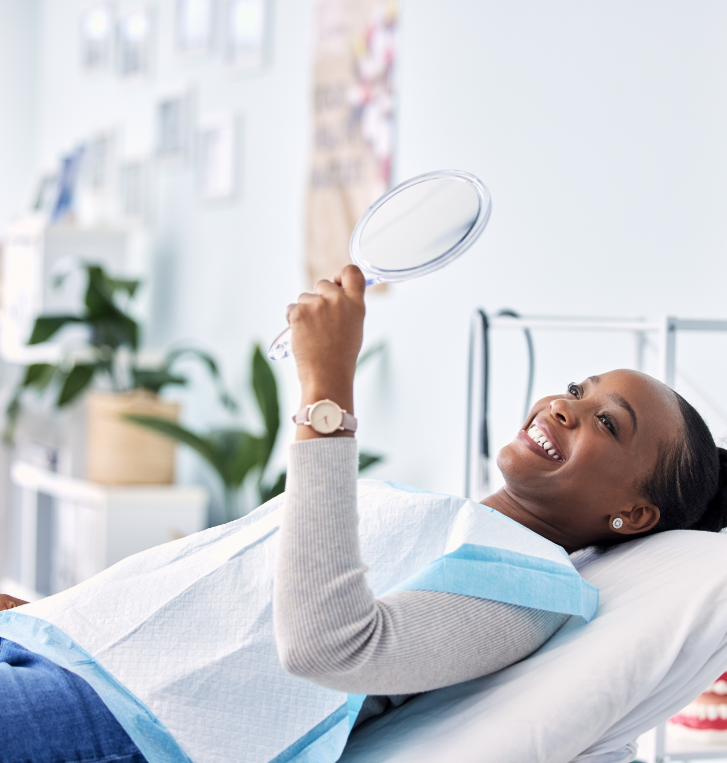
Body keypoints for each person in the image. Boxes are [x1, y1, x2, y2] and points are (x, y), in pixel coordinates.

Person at [1, 264, 726, 762]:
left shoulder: (534, 587)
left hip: (132, 720)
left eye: (607, 422)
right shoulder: (442, 513)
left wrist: (328, 389)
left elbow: (327, 648)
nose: (565, 404)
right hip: (63, 649)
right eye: (578, 387)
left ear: (633, 514)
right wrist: (56, 614)